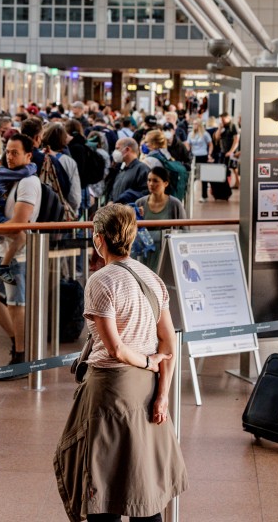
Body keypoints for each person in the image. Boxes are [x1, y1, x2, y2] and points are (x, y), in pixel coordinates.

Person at [55, 204, 187, 522]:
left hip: (111, 391)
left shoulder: (101, 281)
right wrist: (163, 395)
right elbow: (169, 343)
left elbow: (115, 349)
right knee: (144, 489)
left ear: (98, 238)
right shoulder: (151, 278)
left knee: (105, 490)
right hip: (147, 392)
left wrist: (147, 361)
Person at [0, 133, 42, 373]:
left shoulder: (28, 181)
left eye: (15, 152)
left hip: (18, 255)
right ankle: (19, 343)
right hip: (4, 250)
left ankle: (21, 357)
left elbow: (18, 223)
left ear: (28, 155)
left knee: (17, 303)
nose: (9, 156)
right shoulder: (8, 178)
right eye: (7, 151)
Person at [136, 166, 185, 260]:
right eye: (149, 180)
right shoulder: (140, 203)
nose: (151, 184)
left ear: (165, 183)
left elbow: (183, 230)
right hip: (144, 254)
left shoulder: (175, 204)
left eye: (155, 181)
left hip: (166, 254)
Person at [106, 137, 150, 204]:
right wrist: (111, 200)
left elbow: (146, 193)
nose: (115, 152)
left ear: (127, 149)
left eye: (117, 148)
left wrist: (127, 196)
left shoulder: (142, 169)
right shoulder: (121, 169)